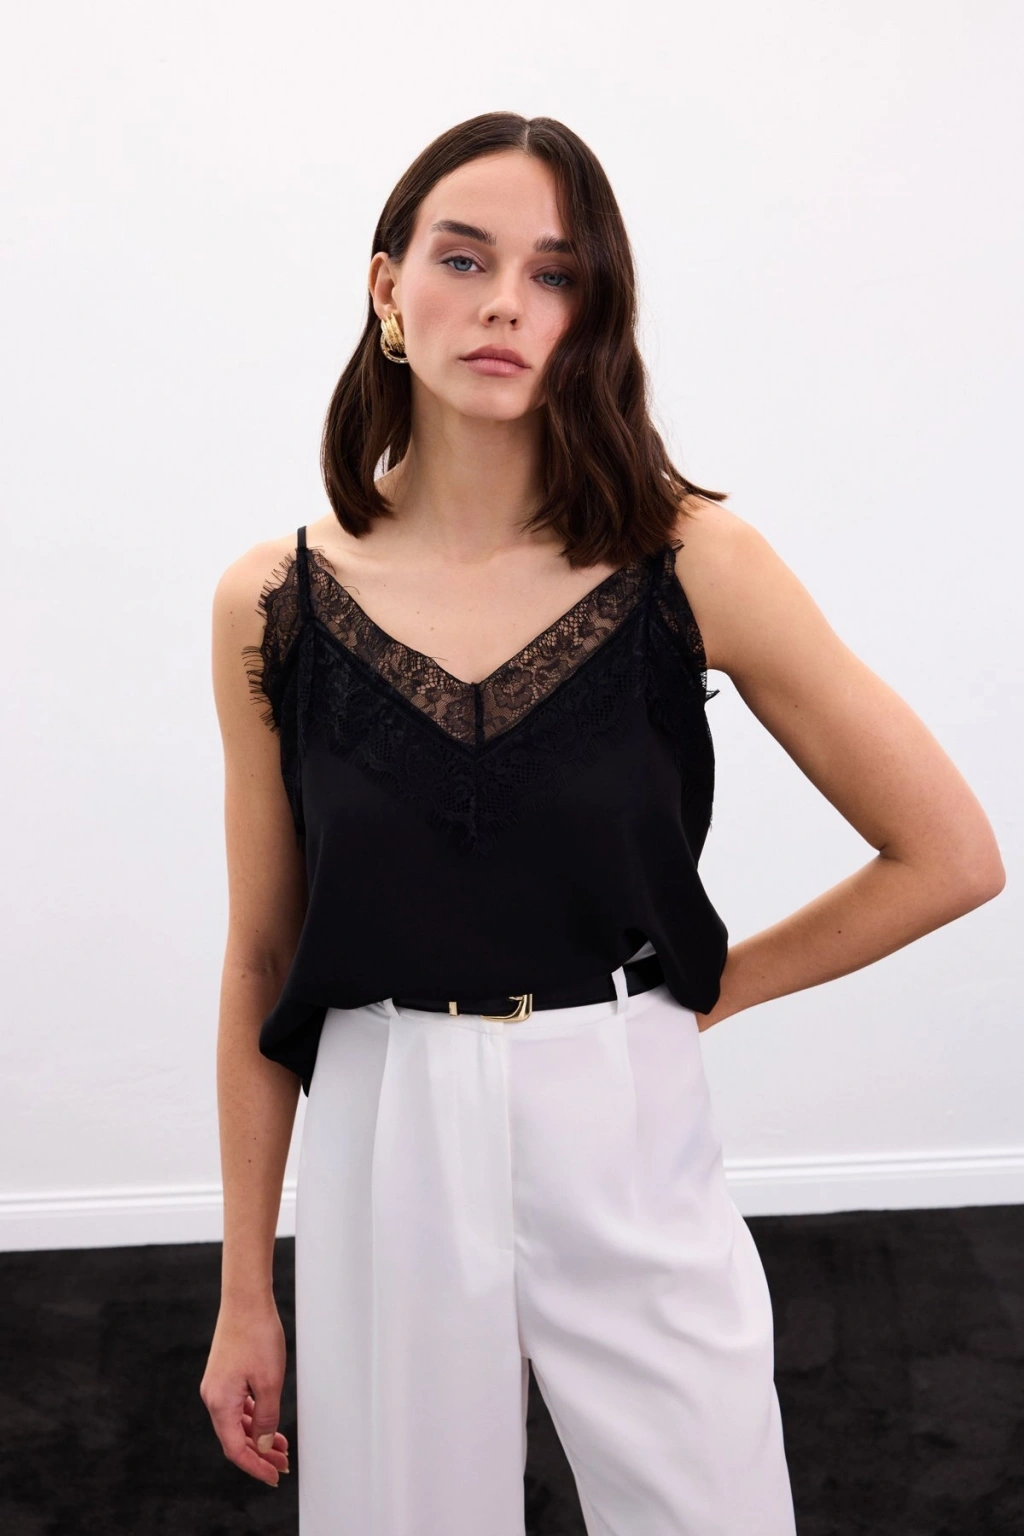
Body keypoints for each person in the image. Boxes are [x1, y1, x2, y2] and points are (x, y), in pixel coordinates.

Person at [200, 112, 1005, 1535]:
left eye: (556, 273)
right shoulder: (273, 601)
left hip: (623, 1105)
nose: (507, 302)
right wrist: (244, 1293)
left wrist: (699, 996)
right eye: (465, 258)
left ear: (594, 314)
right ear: (388, 286)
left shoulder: (693, 560)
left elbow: (949, 857)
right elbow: (265, 956)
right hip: (384, 1119)